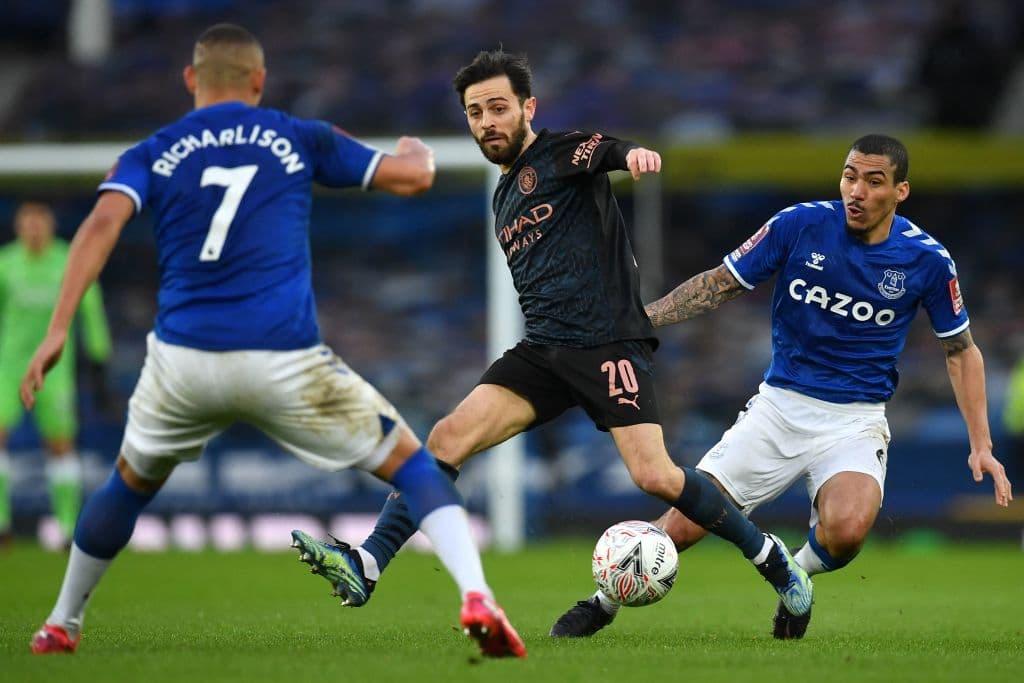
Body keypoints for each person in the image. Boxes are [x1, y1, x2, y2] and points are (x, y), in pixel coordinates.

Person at [21, 24, 525, 659]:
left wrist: (59, 327)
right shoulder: (296, 135)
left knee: (126, 486)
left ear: (190, 80)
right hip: (284, 358)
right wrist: (416, 153)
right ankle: (478, 595)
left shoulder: (155, 149)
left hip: (183, 361)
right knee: (415, 464)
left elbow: (100, 223)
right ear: (258, 81)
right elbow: (411, 178)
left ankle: (62, 623)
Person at [298, 49, 812, 627]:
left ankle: (773, 560)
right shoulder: (502, 195)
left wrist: (631, 155)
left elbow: (607, 150)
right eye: (475, 112)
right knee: (445, 439)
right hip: (543, 351)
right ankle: (366, 563)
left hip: (606, 344)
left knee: (655, 476)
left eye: (498, 107)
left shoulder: (560, 151)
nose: (487, 122)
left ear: (527, 107)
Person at [549, 133, 1014, 640]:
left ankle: (796, 576)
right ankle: (601, 603)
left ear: (900, 191)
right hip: (779, 407)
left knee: (848, 529)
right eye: (849, 176)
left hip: (854, 420)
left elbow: (961, 350)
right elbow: (721, 283)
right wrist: (643, 320)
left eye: (873, 181)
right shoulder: (800, 224)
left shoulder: (926, 260)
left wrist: (981, 444)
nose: (856, 191)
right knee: (681, 527)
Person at [0, 201, 112, 547]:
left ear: (50, 226)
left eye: (40, 222)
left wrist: (98, 360)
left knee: (61, 446)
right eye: (27, 223)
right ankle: (2, 526)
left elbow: (90, 310)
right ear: (18, 227)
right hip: (8, 367)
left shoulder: (69, 260)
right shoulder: (6, 263)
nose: (34, 229)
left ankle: (66, 529)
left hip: (56, 370)